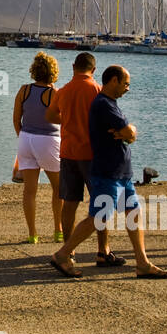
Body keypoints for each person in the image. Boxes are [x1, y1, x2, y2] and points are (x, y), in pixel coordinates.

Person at [49, 66, 167, 279]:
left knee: (133, 213)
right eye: (126, 84)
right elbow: (128, 131)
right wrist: (128, 133)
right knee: (98, 217)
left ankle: (142, 263)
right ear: (113, 80)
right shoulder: (104, 104)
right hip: (108, 172)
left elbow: (129, 133)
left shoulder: (111, 105)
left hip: (122, 173)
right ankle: (62, 254)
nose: (128, 88)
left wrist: (129, 133)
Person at [45, 52, 121, 265]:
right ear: (94, 70)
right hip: (93, 155)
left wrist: (67, 119)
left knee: (69, 203)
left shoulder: (64, 90)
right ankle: (102, 250)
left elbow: (50, 116)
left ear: (73, 67)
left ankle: (68, 250)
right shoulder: (98, 90)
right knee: (101, 202)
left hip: (68, 152)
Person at [12, 51, 62, 243]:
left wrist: (23, 137)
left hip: (26, 139)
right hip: (49, 141)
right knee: (59, 189)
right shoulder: (54, 94)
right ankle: (58, 230)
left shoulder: (24, 90)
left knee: (29, 191)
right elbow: (63, 120)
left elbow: (16, 119)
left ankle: (32, 234)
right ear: (53, 72)